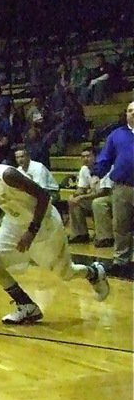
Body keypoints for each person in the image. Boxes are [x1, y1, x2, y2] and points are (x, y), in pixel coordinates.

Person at [0, 145, 109, 324]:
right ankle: (26, 306)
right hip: (14, 223)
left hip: (43, 222)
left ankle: (94, 273)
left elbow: (43, 196)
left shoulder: (7, 175)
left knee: (65, 273)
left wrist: (31, 232)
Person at [90, 99, 134, 273]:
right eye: (130, 110)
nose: (133, 113)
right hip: (122, 187)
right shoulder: (116, 135)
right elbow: (105, 157)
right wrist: (96, 174)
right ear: (126, 114)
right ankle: (121, 261)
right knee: (121, 226)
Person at [67, 147, 102, 243]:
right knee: (74, 202)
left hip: (107, 196)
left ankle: (103, 236)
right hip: (93, 195)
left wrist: (81, 196)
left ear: (95, 157)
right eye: (83, 157)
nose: (85, 159)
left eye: (88, 156)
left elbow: (103, 192)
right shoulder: (84, 169)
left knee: (97, 202)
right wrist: (74, 195)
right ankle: (80, 234)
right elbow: (81, 189)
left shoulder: (103, 167)